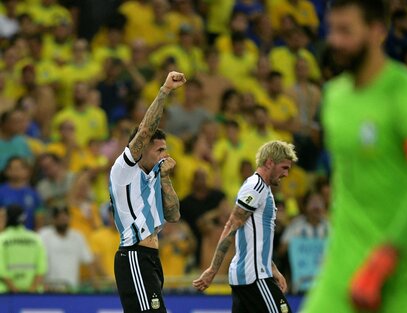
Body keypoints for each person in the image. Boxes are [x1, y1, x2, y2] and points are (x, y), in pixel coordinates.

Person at [301, 1, 407, 312]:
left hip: (406, 275)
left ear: (378, 31)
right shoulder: (334, 98)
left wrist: (385, 258)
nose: (335, 41)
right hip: (345, 268)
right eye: (332, 29)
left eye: (346, 31)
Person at [110, 71, 186, 313]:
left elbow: (173, 215)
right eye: (159, 149)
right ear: (141, 149)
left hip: (151, 258)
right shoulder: (124, 169)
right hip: (133, 255)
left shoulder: (154, 175)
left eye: (165, 149)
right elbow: (144, 131)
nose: (165, 154)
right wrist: (165, 91)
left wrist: (165, 178)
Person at [193, 140, 298, 313]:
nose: (286, 174)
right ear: (270, 162)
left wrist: (273, 269)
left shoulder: (262, 188)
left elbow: (255, 238)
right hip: (255, 278)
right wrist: (212, 270)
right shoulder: (255, 187)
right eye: (284, 167)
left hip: (251, 275)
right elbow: (231, 225)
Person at [39, 206, 95, 292]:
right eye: (59, 218)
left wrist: (94, 283)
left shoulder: (77, 237)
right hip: (50, 287)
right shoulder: (44, 235)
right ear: (53, 219)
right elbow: (38, 260)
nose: (63, 221)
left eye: (65, 218)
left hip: (72, 288)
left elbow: (89, 260)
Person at [0, 205, 47, 293]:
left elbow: (1, 270)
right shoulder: (36, 239)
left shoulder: (1, 240)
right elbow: (42, 269)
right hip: (34, 293)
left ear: (7, 218)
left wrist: (14, 290)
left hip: (6, 295)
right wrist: (31, 290)